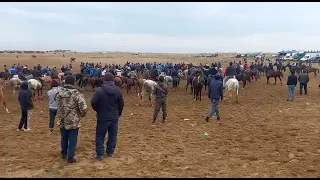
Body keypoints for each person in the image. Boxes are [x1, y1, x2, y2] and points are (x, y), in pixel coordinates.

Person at [91, 72, 124, 161]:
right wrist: (118, 113)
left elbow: (93, 103)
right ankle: (110, 153)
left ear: (104, 79)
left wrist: (99, 110)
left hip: (102, 116)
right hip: (114, 117)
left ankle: (100, 154)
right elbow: (121, 104)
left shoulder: (99, 90)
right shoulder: (118, 90)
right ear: (113, 80)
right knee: (113, 135)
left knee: (100, 135)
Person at [55, 75, 88, 163]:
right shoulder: (76, 93)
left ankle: (63, 153)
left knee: (64, 137)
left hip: (62, 118)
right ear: (74, 82)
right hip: (73, 119)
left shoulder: (58, 92)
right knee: (73, 138)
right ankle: (70, 156)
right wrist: (81, 115)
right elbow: (83, 107)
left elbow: (57, 105)